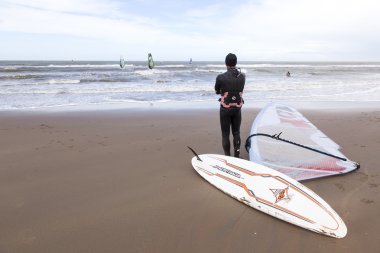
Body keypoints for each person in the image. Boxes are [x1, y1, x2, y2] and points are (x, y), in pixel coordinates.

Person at [215, 53, 246, 157]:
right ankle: (237, 156)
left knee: (225, 134)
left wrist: (223, 91)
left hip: (225, 109)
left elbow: (217, 90)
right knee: (236, 133)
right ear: (235, 63)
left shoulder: (220, 77)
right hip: (237, 108)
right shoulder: (242, 77)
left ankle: (228, 157)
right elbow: (240, 90)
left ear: (226, 63)